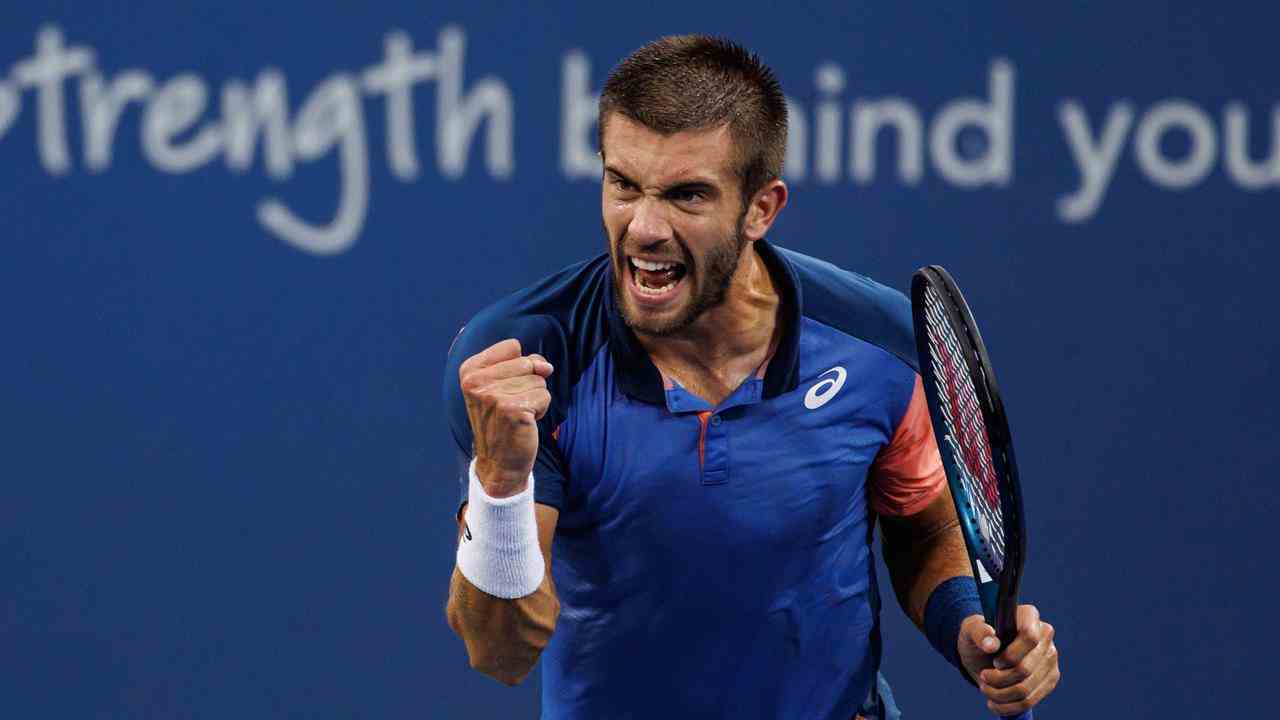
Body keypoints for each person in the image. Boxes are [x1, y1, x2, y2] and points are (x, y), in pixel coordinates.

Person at [442, 35, 1060, 720]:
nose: (643, 227)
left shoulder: (878, 348)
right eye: (623, 184)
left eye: (687, 195)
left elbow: (924, 533)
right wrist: (500, 486)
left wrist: (967, 629)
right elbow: (499, 653)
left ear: (762, 208)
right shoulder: (530, 358)